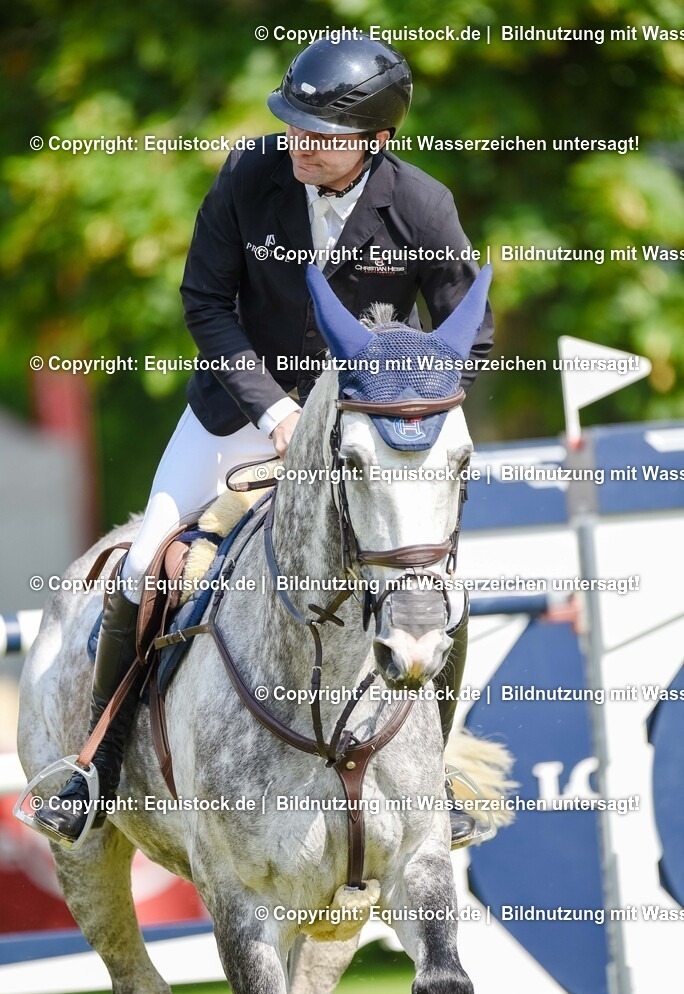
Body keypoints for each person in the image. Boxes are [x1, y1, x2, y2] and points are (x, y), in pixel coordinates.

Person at [35, 34, 494, 845]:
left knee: (433, 589)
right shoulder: (252, 176)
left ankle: (439, 772)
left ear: (376, 142)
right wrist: (277, 414)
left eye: (320, 136)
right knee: (145, 563)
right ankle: (97, 765)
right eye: (294, 127)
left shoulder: (422, 206)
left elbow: (470, 331)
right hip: (240, 416)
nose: (299, 145)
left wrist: (392, 397)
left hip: (361, 433)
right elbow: (205, 302)